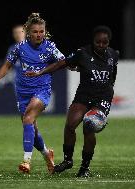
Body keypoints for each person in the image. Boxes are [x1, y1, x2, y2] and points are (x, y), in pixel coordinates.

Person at [25, 25, 119, 177]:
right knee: (70, 125)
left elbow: (113, 75)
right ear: (93, 41)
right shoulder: (82, 53)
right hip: (84, 95)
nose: (101, 45)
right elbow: (60, 64)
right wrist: (39, 72)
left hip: (102, 97)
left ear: (108, 42)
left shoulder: (113, 55)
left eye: (105, 43)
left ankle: (84, 168)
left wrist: (107, 93)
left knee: (89, 125)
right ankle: (68, 160)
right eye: (98, 42)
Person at [0, 13, 65, 174]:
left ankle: (26, 161)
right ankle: (47, 154)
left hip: (41, 90)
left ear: (45, 31)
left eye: (42, 31)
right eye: (36, 32)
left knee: (28, 118)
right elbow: (7, 65)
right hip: (22, 92)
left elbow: (62, 61)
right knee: (31, 127)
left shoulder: (50, 47)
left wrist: (72, 64)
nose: (39, 35)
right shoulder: (19, 47)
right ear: (28, 32)